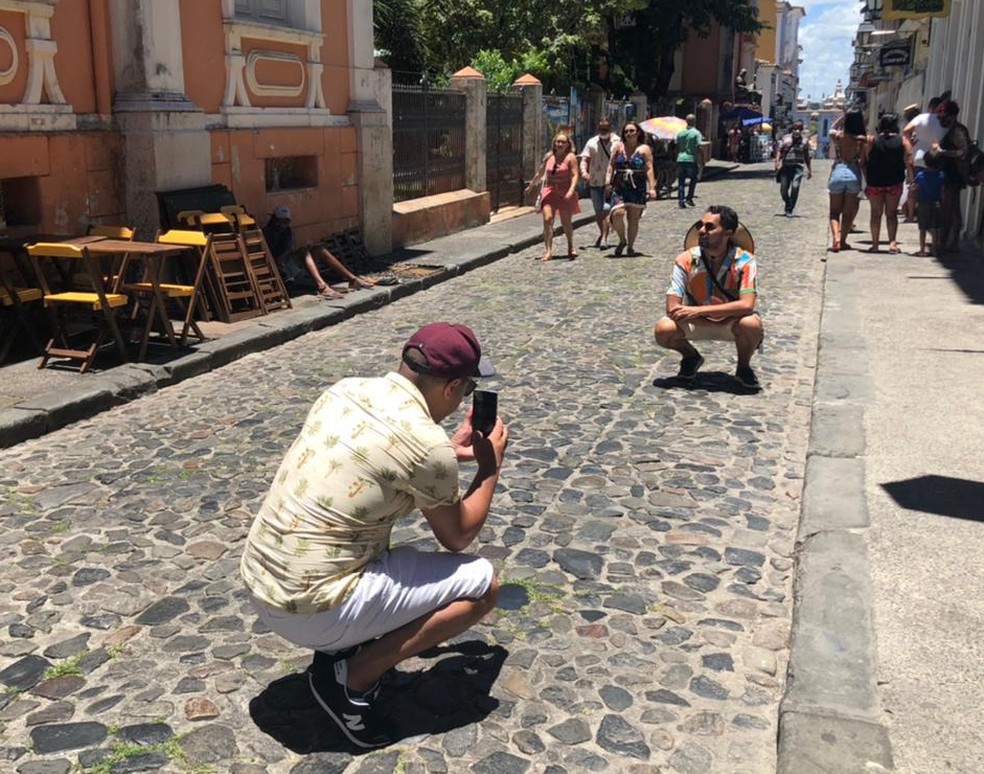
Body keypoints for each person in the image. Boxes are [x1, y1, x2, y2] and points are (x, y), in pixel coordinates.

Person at [240, 322, 508, 749]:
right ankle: (351, 681)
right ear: (452, 386)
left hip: (262, 585)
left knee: (393, 556)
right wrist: (488, 467)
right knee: (481, 585)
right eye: (466, 389)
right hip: (313, 611)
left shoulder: (344, 390)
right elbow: (459, 537)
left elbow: (384, 458)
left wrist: (445, 455)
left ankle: (342, 652)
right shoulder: (426, 445)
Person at [653, 204, 763, 390]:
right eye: (700, 226)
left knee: (751, 324)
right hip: (698, 322)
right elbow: (672, 306)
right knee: (664, 329)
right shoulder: (685, 260)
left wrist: (696, 310)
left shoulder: (745, 261)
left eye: (710, 227)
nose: (702, 231)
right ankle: (691, 357)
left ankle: (743, 367)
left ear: (728, 233)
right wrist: (694, 313)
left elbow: (747, 305)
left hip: (731, 323)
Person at [262, 206, 376, 299]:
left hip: (289, 261)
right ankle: (322, 286)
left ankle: (352, 279)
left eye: (286, 221)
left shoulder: (287, 231)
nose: (283, 224)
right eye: (280, 221)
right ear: (274, 219)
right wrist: (281, 260)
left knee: (319, 249)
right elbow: (272, 255)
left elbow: (288, 248)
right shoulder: (266, 233)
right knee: (303, 252)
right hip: (280, 266)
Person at [526, 132, 580, 261]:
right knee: (547, 219)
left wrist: (571, 190)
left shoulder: (571, 157)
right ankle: (548, 251)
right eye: (558, 142)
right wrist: (531, 186)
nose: (560, 144)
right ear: (554, 143)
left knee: (566, 222)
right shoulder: (549, 157)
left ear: (567, 145)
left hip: (565, 191)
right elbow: (540, 174)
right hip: (549, 191)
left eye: (563, 142)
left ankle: (570, 245)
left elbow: (575, 175)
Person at [605, 120, 656, 257]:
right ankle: (622, 240)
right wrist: (607, 183)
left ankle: (630, 247)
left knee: (633, 218)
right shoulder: (618, 147)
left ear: (638, 132)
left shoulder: (644, 149)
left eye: (631, 131)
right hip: (620, 185)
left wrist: (652, 188)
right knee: (617, 213)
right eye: (626, 131)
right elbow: (611, 165)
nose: (628, 134)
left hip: (637, 185)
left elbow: (649, 168)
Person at [864, 113, 907, 253]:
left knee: (875, 214)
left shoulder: (871, 140)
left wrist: (867, 178)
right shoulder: (903, 141)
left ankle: (875, 245)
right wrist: (911, 178)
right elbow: (909, 160)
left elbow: (863, 161)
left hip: (875, 182)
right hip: (894, 182)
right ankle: (892, 243)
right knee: (891, 214)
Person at [826, 108, 867, 252]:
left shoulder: (838, 136)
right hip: (853, 173)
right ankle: (843, 240)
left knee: (834, 212)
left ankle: (835, 238)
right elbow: (862, 161)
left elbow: (831, 129)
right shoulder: (861, 139)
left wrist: (843, 118)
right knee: (848, 212)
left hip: (838, 171)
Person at [934, 100, 971, 252]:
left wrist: (942, 152)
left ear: (952, 115)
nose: (941, 120)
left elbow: (964, 151)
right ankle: (951, 242)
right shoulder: (952, 129)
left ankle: (947, 242)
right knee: (951, 209)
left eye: (944, 116)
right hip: (949, 174)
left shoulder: (958, 130)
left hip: (954, 175)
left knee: (949, 210)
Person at [578, 118, 619, 249]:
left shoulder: (618, 142)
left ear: (611, 128)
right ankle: (602, 234)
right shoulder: (592, 142)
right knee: (598, 211)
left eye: (606, 128)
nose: (603, 131)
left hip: (612, 182)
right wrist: (584, 172)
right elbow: (585, 159)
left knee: (606, 209)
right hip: (595, 181)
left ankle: (604, 239)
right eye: (601, 128)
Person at [775, 126, 812, 217]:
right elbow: (779, 151)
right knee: (783, 189)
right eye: (795, 128)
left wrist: (809, 170)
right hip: (786, 167)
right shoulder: (785, 138)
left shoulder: (804, 141)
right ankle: (788, 202)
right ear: (792, 129)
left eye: (799, 129)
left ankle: (789, 209)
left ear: (801, 130)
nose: (797, 131)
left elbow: (806, 155)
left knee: (795, 186)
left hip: (798, 167)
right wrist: (777, 162)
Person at [914, 157, 944, 257]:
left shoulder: (920, 175)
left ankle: (922, 250)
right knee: (934, 227)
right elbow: (943, 191)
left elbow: (916, 188)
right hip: (936, 202)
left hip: (923, 202)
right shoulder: (941, 175)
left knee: (922, 228)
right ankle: (934, 250)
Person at [675, 114, 704, 208]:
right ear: (695, 121)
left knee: (681, 181)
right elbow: (699, 146)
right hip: (691, 159)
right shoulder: (696, 133)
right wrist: (702, 159)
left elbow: (676, 146)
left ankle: (681, 200)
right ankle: (689, 197)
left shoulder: (680, 133)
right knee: (694, 178)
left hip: (680, 158)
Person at [899, 103, 921, 223]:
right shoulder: (917, 129)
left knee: (912, 189)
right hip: (915, 161)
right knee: (913, 189)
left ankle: (911, 215)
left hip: (913, 161)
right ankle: (911, 214)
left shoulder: (913, 130)